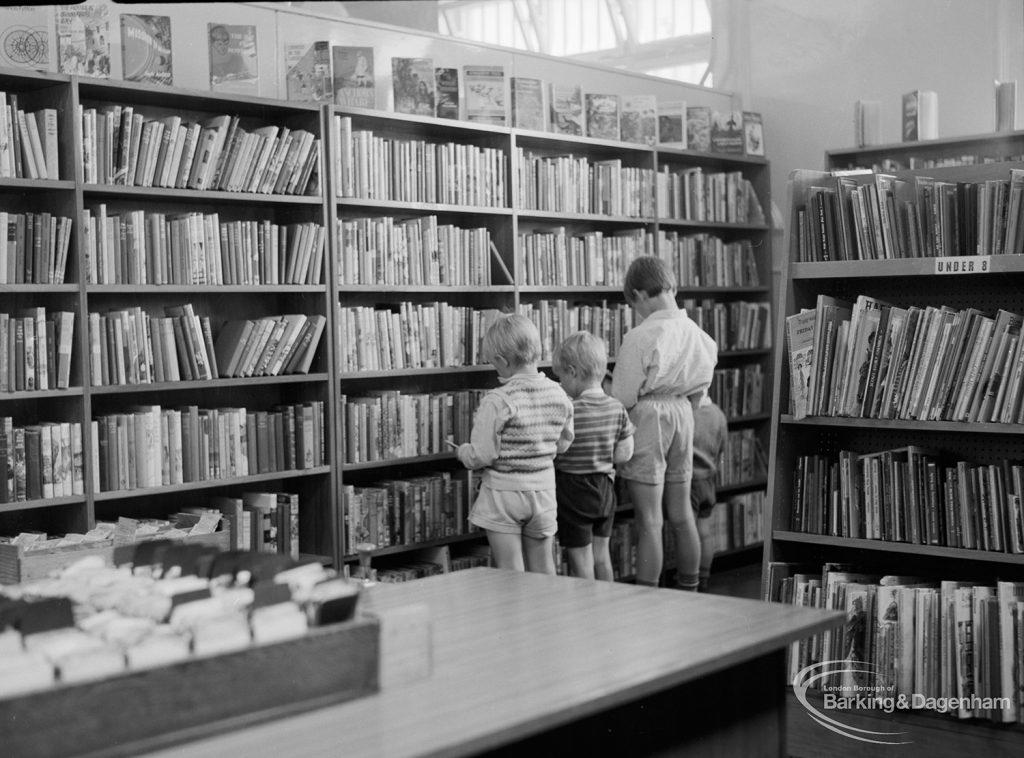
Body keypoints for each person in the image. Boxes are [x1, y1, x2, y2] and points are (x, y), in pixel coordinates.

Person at [611, 256, 717, 589]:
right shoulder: (701, 336)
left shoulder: (641, 336)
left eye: (634, 304)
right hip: (685, 415)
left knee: (649, 521)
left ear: (639, 294)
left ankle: (648, 595)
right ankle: (691, 588)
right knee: (683, 513)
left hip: (649, 417)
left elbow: (623, 396)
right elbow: (701, 392)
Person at [456, 314, 574, 573]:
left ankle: (517, 614)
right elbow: (564, 442)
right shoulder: (559, 393)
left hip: (503, 494)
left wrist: (464, 452)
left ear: (502, 361)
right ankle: (548, 613)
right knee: (543, 565)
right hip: (543, 490)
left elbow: (483, 455)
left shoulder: (497, 400)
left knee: (510, 569)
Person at [552, 331, 635, 581]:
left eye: (561, 377)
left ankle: (589, 613)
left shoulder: (569, 409)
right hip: (605, 489)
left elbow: (556, 448)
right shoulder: (616, 407)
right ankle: (608, 606)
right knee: (602, 556)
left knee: (582, 561)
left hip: (572, 489)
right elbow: (625, 453)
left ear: (573, 371)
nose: (561, 384)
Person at [690, 395, 729, 592]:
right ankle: (704, 577)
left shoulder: (689, 413)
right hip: (709, 480)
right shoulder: (718, 414)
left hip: (690, 481)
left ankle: (689, 577)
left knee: (688, 531)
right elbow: (723, 447)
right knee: (704, 531)